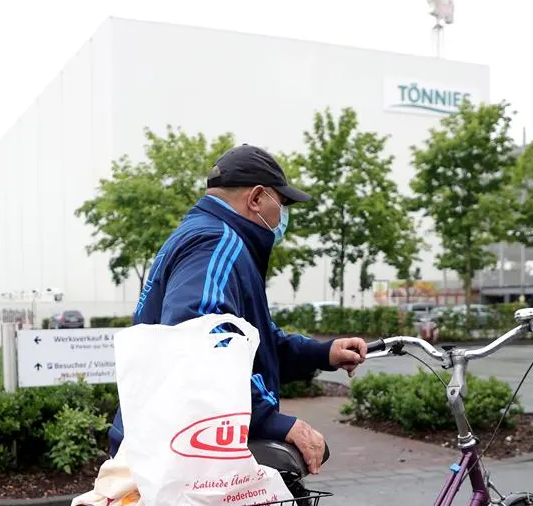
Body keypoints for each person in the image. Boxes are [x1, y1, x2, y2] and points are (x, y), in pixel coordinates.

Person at [107, 144, 367, 474]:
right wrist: (270, 420)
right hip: (178, 456)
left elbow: (253, 343)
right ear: (257, 198)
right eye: (282, 204)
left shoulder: (204, 236)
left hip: (163, 442)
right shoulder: (216, 243)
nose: (283, 216)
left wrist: (323, 353)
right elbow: (202, 341)